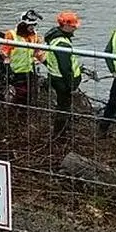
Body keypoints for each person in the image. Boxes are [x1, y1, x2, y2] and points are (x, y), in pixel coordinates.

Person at [44, 11, 82, 140]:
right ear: (65, 25)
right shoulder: (62, 43)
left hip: (57, 78)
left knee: (63, 106)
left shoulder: (55, 38)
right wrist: (72, 84)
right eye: (73, 26)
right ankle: (60, 135)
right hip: (62, 81)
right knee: (63, 107)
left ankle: (61, 132)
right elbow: (65, 67)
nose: (75, 28)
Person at [0, 10, 44, 106]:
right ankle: (15, 112)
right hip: (14, 71)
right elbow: (4, 52)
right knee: (21, 93)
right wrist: (7, 66)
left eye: (34, 25)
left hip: (29, 70)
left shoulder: (35, 36)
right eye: (30, 25)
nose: (32, 28)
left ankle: (22, 112)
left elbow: (38, 53)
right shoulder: (11, 35)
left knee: (28, 95)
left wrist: (47, 63)